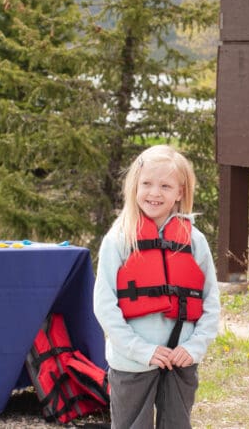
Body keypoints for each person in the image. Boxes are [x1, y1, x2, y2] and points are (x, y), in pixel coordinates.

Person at [93, 144, 221, 428]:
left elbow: (211, 301)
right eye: (147, 184)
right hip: (132, 362)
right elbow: (104, 305)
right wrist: (140, 349)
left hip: (181, 359)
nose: (154, 193)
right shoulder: (119, 240)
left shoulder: (194, 240)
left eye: (165, 185)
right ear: (134, 187)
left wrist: (195, 347)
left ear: (180, 192)